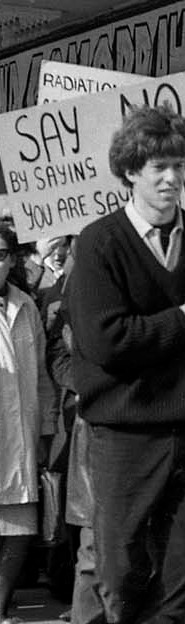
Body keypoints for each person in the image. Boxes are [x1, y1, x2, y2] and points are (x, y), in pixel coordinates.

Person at [69, 104, 185, 624]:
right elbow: (107, 342)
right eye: (158, 169)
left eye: (179, 167)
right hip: (123, 435)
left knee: (178, 583)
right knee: (119, 576)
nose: (172, 179)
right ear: (129, 173)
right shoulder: (100, 242)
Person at [0, 223, 55, 624]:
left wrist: (48, 430)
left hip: (22, 434)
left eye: (2, 254)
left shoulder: (26, 306)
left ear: (13, 259)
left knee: (18, 532)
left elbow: (41, 376)